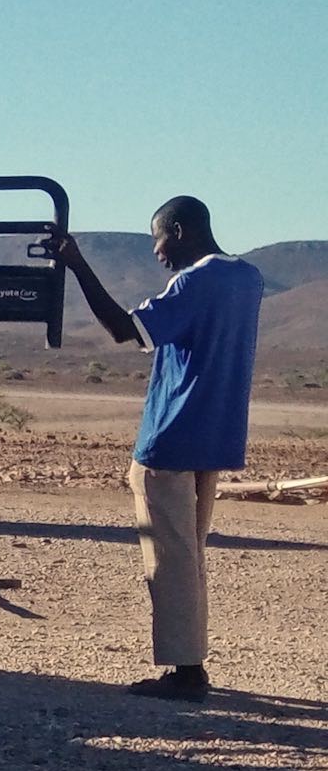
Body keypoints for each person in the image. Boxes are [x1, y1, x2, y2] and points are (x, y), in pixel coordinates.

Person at [48, 197, 262, 701]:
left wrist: (77, 264)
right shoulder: (248, 278)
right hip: (215, 435)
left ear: (180, 231)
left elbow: (125, 330)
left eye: (158, 239)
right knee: (190, 552)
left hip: (170, 437)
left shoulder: (194, 283)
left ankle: (187, 671)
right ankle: (191, 661)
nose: (157, 252)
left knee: (170, 559)